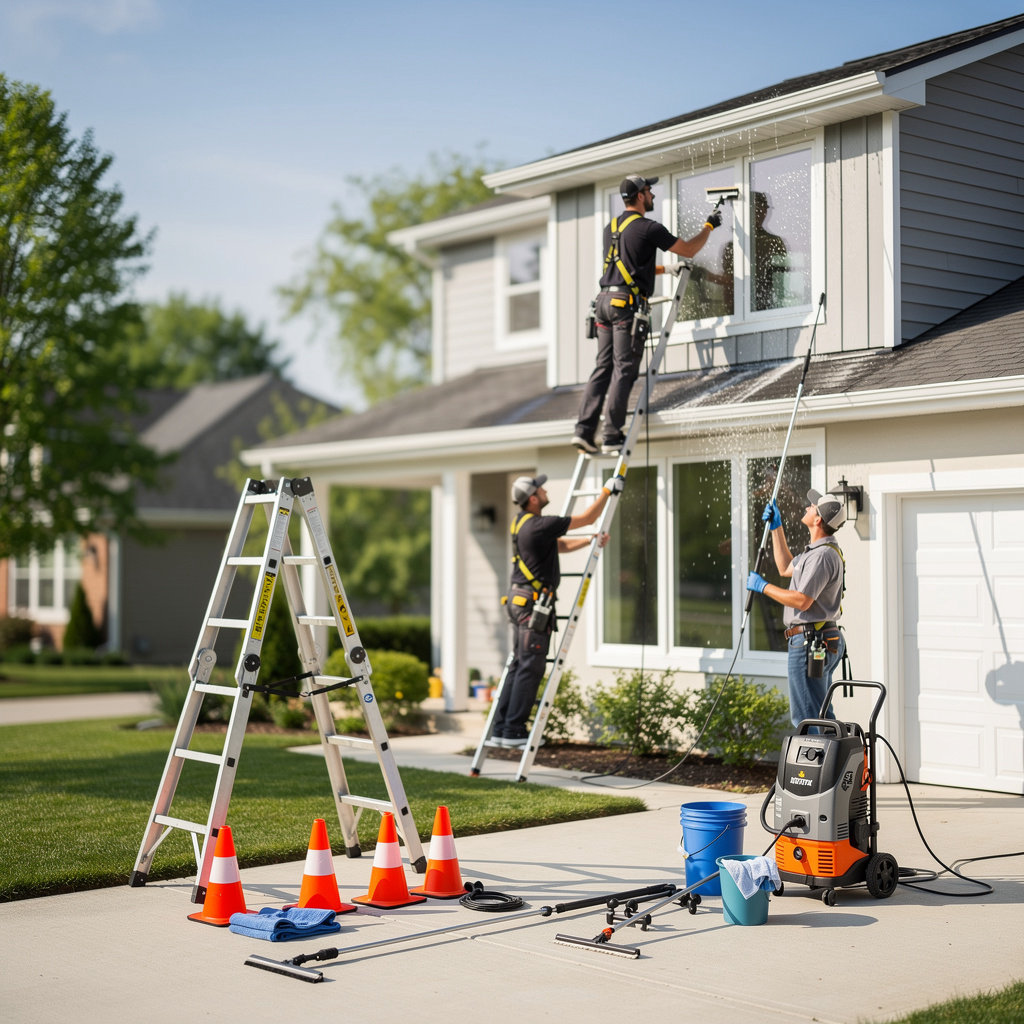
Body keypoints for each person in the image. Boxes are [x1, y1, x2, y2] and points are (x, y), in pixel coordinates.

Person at [572, 173, 721, 454]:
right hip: (624, 307)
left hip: (603, 303)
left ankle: (583, 430)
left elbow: (627, 267)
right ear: (640, 195)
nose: (652, 196)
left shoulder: (611, 228)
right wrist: (709, 226)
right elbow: (689, 248)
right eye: (650, 191)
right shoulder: (648, 228)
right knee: (624, 368)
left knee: (603, 367)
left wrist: (667, 269)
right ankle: (612, 435)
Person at [490, 471, 621, 747]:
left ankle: (502, 727)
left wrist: (588, 541)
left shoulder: (521, 524)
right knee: (530, 666)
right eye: (542, 489)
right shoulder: (539, 524)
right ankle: (513, 730)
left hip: (519, 601)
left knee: (518, 664)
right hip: (532, 606)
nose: (546, 492)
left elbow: (557, 546)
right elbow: (587, 518)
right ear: (534, 498)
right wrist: (607, 491)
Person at [746, 489, 847, 727]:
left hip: (811, 641)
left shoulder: (822, 556)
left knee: (807, 718)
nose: (806, 508)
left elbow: (802, 601)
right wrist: (776, 527)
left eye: (811, 507)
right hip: (819, 638)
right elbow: (784, 567)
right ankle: (832, 764)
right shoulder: (815, 552)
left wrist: (763, 587)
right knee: (821, 715)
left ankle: (813, 764)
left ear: (818, 519)